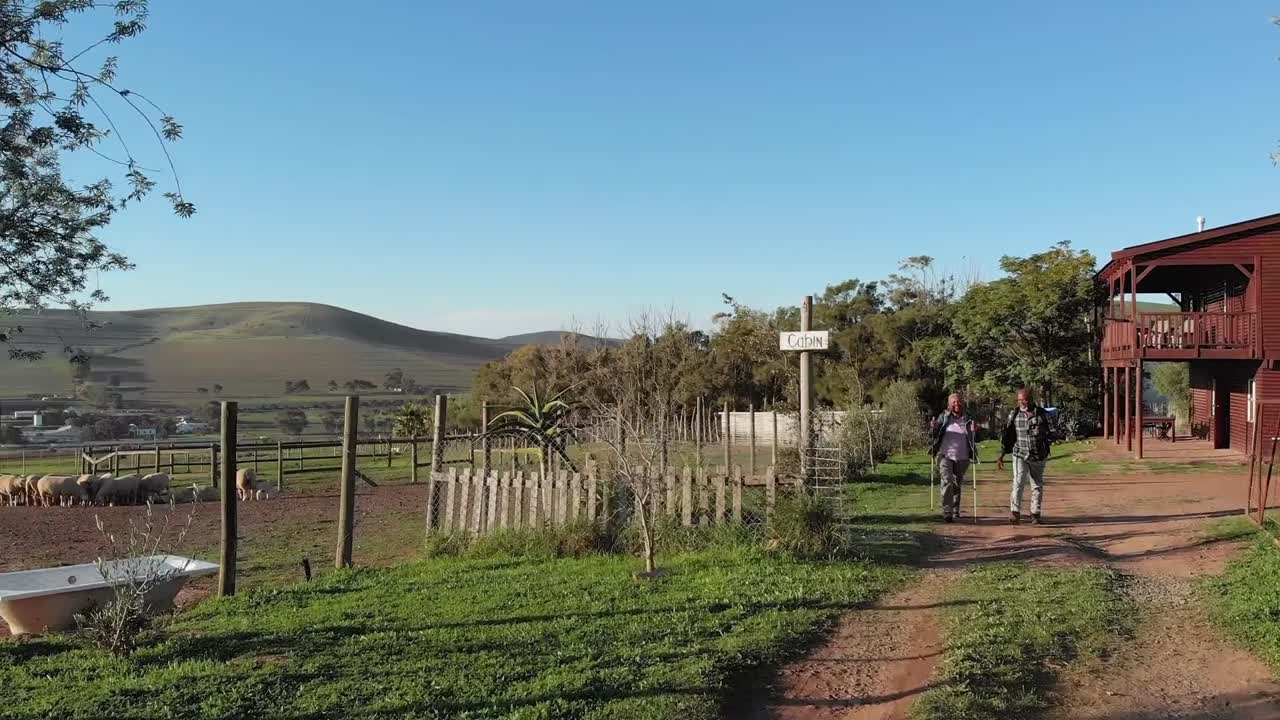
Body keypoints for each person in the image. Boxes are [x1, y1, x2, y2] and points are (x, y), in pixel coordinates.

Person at [997, 388, 1053, 525]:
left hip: (1038, 455)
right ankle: (1015, 513)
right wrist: (1002, 454)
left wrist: (1045, 438)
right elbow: (1008, 436)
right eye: (1020, 400)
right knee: (1018, 482)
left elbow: (1053, 431)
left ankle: (1035, 514)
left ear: (1031, 399)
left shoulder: (1043, 414)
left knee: (1037, 485)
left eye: (1025, 399)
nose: (1022, 403)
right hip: (1019, 453)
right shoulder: (1014, 414)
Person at [928, 392, 976, 523]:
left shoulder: (968, 418)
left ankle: (955, 508)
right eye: (953, 402)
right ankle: (947, 511)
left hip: (963, 456)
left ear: (963, 403)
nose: (957, 404)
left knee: (956, 483)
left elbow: (973, 437)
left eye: (959, 401)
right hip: (945, 455)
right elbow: (933, 433)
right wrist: (933, 428)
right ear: (949, 404)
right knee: (947, 481)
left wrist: (975, 430)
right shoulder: (944, 417)